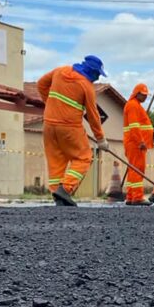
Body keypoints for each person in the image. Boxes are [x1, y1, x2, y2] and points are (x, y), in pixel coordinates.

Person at [36, 55, 107, 207]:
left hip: (48, 125)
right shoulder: (86, 86)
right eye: (97, 75)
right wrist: (101, 139)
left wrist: (50, 106)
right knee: (84, 157)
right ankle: (65, 189)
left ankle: (57, 195)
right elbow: (93, 115)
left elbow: (41, 84)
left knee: (56, 160)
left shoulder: (60, 71)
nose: (97, 78)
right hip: (70, 127)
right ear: (92, 71)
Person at [122, 83, 154, 206]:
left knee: (133, 170)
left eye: (146, 95)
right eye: (144, 95)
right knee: (137, 170)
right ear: (137, 93)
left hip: (135, 143)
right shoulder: (133, 106)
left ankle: (131, 196)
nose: (145, 97)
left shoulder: (134, 105)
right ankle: (137, 197)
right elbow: (134, 126)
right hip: (136, 144)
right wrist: (140, 141)